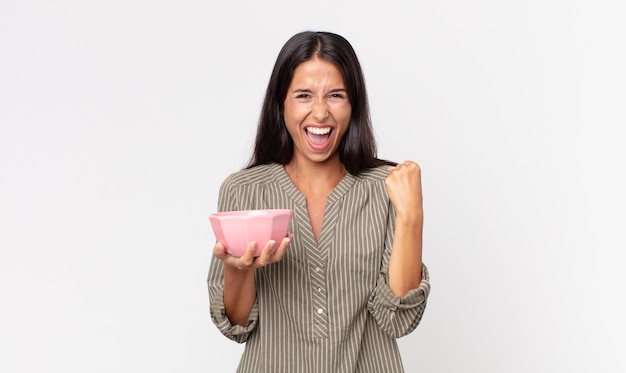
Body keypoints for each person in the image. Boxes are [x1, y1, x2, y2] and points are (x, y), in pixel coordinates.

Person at [207, 30, 430, 372]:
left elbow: (398, 319)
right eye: (304, 96)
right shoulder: (243, 191)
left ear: (353, 105)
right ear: (281, 104)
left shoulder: (387, 190)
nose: (321, 112)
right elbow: (236, 324)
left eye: (336, 95)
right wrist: (239, 271)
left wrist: (411, 217)